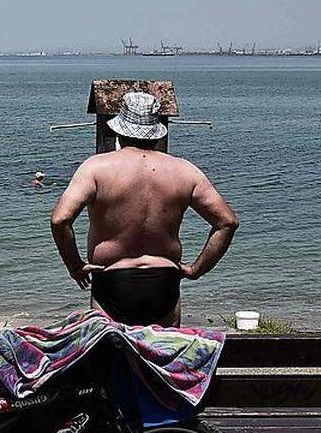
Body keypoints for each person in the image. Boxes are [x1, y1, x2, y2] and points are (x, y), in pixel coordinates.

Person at [50, 91, 238, 328]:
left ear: (118, 131)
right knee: (162, 360)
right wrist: (195, 270)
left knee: (112, 361)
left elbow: (60, 220)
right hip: (164, 282)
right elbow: (227, 222)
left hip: (112, 278)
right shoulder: (185, 171)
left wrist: (74, 266)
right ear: (157, 135)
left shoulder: (95, 168)